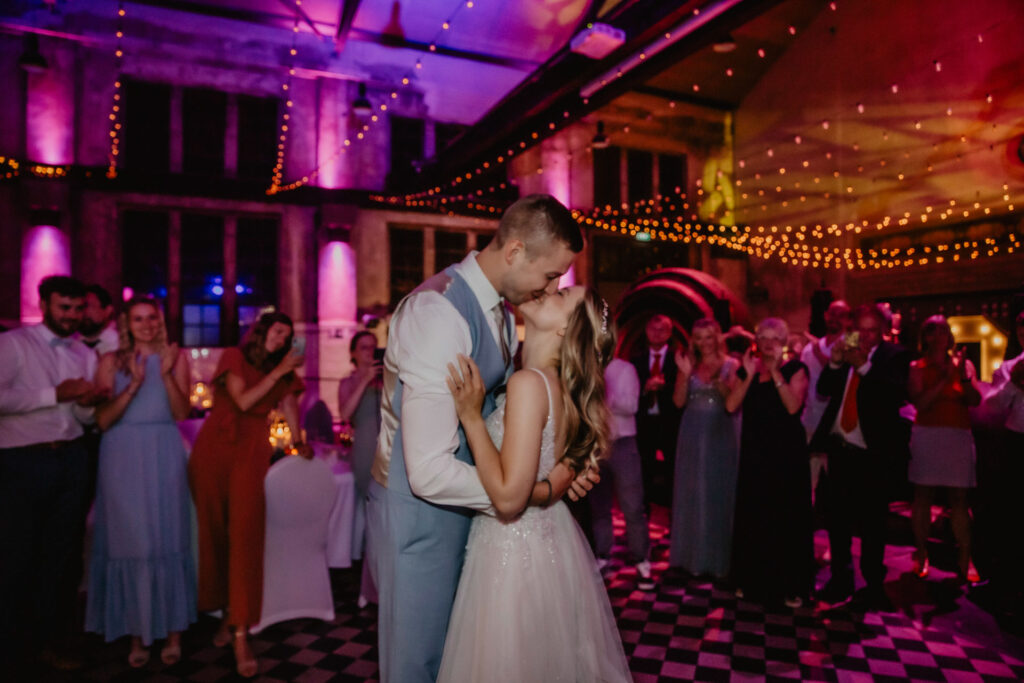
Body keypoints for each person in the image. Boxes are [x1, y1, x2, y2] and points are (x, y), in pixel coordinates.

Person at [367, 194, 595, 683]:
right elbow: (427, 470)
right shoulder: (438, 314)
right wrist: (532, 492)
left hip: (473, 515)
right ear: (514, 252)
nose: (551, 287)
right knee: (419, 665)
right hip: (423, 519)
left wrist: (558, 464)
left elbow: (504, 415)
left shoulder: (498, 308)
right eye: (551, 275)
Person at [438, 286, 631, 682]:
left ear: (565, 329)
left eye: (562, 296)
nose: (548, 292)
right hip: (548, 541)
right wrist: (558, 482)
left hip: (511, 547)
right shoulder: (554, 386)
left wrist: (472, 417)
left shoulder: (530, 383)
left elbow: (509, 498)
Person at [187, 311, 307, 677]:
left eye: (287, 335)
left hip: (250, 454)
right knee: (215, 538)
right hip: (214, 451)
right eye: (277, 330)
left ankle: (240, 631)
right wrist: (279, 370)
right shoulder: (234, 357)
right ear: (261, 331)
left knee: (244, 538)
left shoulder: (283, 372)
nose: (281, 338)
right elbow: (240, 401)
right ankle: (225, 613)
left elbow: (289, 407)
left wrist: (301, 443)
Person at [0, 276, 108, 672]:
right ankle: (13, 650)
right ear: (44, 303)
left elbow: (78, 417)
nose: (72, 316)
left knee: (62, 558)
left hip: (73, 459)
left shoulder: (83, 352)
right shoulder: (13, 344)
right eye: (65, 307)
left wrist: (88, 402)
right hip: (22, 462)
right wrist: (54, 395)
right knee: (17, 557)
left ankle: (54, 642)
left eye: (78, 309)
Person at [85, 296, 196, 666]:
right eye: (139, 318)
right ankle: (137, 634)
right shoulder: (108, 362)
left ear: (160, 322)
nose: (147, 324)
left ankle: (173, 630)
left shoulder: (176, 358)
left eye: (152, 318)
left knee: (167, 536)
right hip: (121, 455)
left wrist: (163, 375)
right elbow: (101, 421)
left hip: (164, 451)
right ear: (126, 324)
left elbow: (182, 413)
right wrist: (132, 385)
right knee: (129, 541)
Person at [812, 303, 912, 610]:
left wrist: (864, 366)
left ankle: (872, 584)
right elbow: (823, 389)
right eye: (860, 330)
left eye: (872, 330)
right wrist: (835, 363)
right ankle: (841, 579)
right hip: (840, 448)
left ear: (882, 330)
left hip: (872, 454)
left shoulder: (893, 356)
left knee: (872, 523)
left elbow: (894, 395)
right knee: (837, 520)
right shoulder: (847, 348)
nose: (866, 337)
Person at [726, 317, 813, 607]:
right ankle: (751, 580)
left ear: (784, 342)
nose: (767, 343)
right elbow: (730, 405)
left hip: (786, 455)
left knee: (785, 515)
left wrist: (776, 374)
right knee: (755, 514)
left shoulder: (796, 369)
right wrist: (749, 375)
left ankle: (790, 585)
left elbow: (792, 406)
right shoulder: (747, 368)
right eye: (762, 337)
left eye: (773, 338)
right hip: (755, 453)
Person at [907, 315, 982, 581]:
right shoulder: (917, 367)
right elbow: (922, 403)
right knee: (923, 496)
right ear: (925, 337)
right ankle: (921, 551)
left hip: (958, 435)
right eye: (933, 331)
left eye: (944, 331)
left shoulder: (964, 365)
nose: (939, 336)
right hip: (928, 434)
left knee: (960, 499)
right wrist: (945, 378)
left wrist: (961, 376)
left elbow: (975, 400)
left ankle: (965, 556)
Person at [669, 318, 740, 579]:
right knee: (692, 491)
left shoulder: (731, 364)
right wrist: (685, 374)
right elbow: (677, 402)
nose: (703, 343)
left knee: (716, 490)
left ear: (717, 337)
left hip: (719, 434)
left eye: (708, 337)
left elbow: (733, 401)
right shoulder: (689, 363)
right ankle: (690, 559)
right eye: (698, 338)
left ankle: (717, 560)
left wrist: (722, 383)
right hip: (691, 432)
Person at [589, 355, 653, 586]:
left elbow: (632, 406)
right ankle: (603, 555)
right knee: (599, 506)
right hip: (595, 444)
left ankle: (641, 559)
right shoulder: (586, 363)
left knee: (632, 506)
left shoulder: (625, 369)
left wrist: (606, 396)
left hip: (623, 443)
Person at [337, 330, 383, 606]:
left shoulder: (386, 381)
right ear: (353, 353)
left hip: (388, 454)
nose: (369, 352)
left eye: (373, 347)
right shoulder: (349, 381)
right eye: (364, 348)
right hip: (365, 453)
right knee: (370, 516)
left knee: (383, 518)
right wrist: (364, 381)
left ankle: (380, 578)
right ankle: (367, 583)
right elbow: (345, 415)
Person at [800, 300, 852, 503]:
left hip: (838, 426)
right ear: (826, 316)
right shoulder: (811, 347)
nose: (835, 319)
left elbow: (836, 377)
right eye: (833, 314)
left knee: (839, 483)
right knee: (807, 480)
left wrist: (818, 353)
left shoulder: (853, 342)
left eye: (842, 315)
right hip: (810, 421)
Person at [631, 313, 681, 508]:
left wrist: (663, 386)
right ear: (646, 332)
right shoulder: (637, 360)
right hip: (645, 423)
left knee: (672, 472)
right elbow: (631, 390)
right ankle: (644, 519)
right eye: (653, 329)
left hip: (670, 422)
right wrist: (646, 387)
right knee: (644, 471)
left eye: (662, 330)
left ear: (669, 333)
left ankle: (673, 520)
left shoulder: (677, 358)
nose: (657, 334)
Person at [78, 284, 120, 355]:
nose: (84, 312)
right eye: (79, 307)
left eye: (88, 306)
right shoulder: (71, 343)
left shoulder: (120, 345)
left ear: (108, 310)